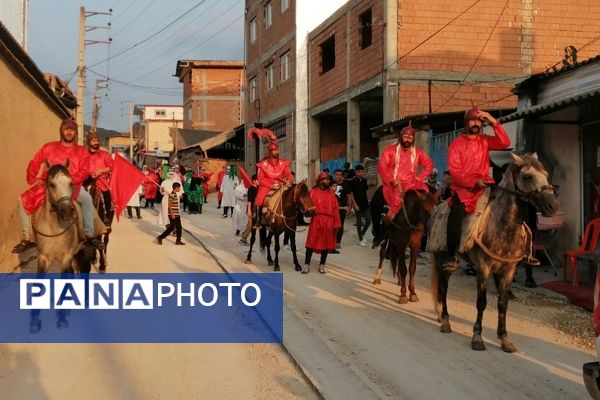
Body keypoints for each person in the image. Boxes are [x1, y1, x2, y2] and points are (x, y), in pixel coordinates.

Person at [13, 119, 101, 253]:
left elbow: (85, 170)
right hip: (51, 186)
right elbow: (35, 162)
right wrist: (33, 178)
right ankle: (28, 238)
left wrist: (68, 181)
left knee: (87, 199)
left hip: (72, 186)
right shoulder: (48, 147)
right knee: (23, 200)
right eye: (66, 129)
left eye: (72, 129)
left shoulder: (82, 151)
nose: (69, 132)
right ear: (61, 130)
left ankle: (89, 234)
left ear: (76, 132)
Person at [442, 107, 513, 272]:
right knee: (456, 212)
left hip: (486, 184)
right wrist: (474, 181)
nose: (476, 124)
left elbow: (505, 143)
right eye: (473, 120)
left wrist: (493, 121)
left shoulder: (485, 140)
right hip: (464, 188)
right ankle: (451, 254)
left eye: (479, 121)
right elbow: (455, 172)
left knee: (509, 205)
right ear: (466, 123)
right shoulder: (456, 144)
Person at [377, 121, 433, 224]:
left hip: (412, 183)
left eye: (410, 138)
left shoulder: (418, 152)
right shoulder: (390, 150)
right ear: (401, 137)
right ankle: (387, 220)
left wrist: (420, 178)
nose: (408, 140)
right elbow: (382, 166)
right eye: (406, 137)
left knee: (427, 194)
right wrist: (391, 180)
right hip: (394, 184)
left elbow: (429, 164)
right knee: (397, 198)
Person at [248, 124, 292, 224]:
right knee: (259, 199)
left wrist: (288, 182)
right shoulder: (263, 164)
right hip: (266, 186)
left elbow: (289, 175)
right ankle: (257, 220)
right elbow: (260, 179)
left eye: (277, 150)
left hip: (281, 186)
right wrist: (270, 185)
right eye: (275, 150)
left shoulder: (283, 163)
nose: (277, 152)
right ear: (270, 151)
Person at [303, 172, 341, 274]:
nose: (328, 181)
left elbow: (335, 209)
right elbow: (306, 205)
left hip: (329, 221)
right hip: (316, 219)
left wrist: (337, 224)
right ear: (320, 181)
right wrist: (306, 213)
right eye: (326, 179)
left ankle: (322, 265)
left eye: (329, 179)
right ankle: (306, 264)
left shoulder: (332, 195)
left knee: (326, 244)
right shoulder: (312, 192)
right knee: (311, 242)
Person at [87, 130, 114, 223]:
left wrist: (100, 171)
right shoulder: (84, 155)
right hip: (87, 181)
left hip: (101, 182)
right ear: (89, 142)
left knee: (108, 198)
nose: (96, 143)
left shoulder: (104, 154)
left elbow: (110, 166)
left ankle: (106, 217)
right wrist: (88, 173)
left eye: (97, 140)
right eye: (93, 141)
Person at [350, 164, 372, 247]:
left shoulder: (364, 180)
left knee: (369, 220)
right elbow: (351, 194)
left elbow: (366, 192)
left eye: (362, 172)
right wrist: (354, 205)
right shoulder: (352, 181)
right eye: (359, 172)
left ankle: (362, 234)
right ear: (356, 172)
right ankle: (360, 239)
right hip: (357, 204)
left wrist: (368, 201)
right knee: (359, 222)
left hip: (365, 203)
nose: (361, 173)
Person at [333, 169, 352, 251]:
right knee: (332, 226)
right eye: (336, 174)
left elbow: (349, 197)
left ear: (342, 176)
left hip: (342, 209)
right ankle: (331, 241)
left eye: (340, 174)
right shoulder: (331, 185)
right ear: (334, 175)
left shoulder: (346, 185)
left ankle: (338, 242)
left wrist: (350, 208)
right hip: (332, 209)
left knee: (340, 226)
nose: (338, 176)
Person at [239, 174, 259, 245]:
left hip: (257, 209)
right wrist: (249, 211)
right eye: (257, 180)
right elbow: (249, 201)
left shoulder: (258, 188)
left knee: (254, 224)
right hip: (251, 208)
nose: (259, 181)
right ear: (254, 181)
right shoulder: (251, 189)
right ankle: (243, 239)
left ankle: (244, 233)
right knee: (250, 225)